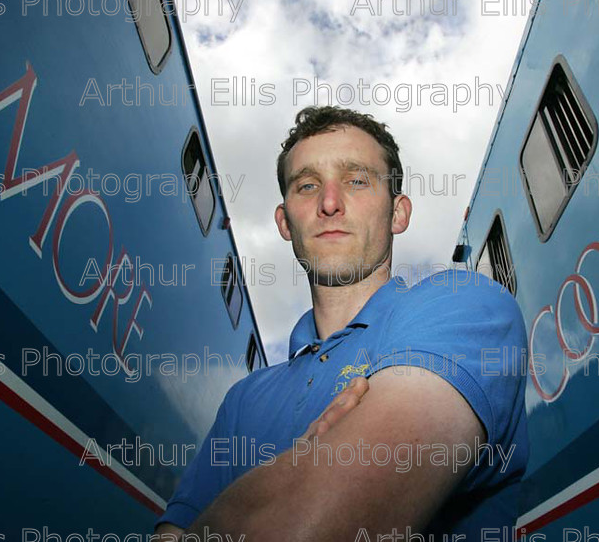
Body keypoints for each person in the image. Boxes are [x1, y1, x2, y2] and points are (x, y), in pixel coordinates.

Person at [154, 106, 529, 541]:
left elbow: (302, 531)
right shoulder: (242, 400)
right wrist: (304, 467)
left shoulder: (470, 308)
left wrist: (255, 500)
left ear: (398, 213)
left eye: (356, 180)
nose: (329, 203)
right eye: (307, 185)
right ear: (284, 223)